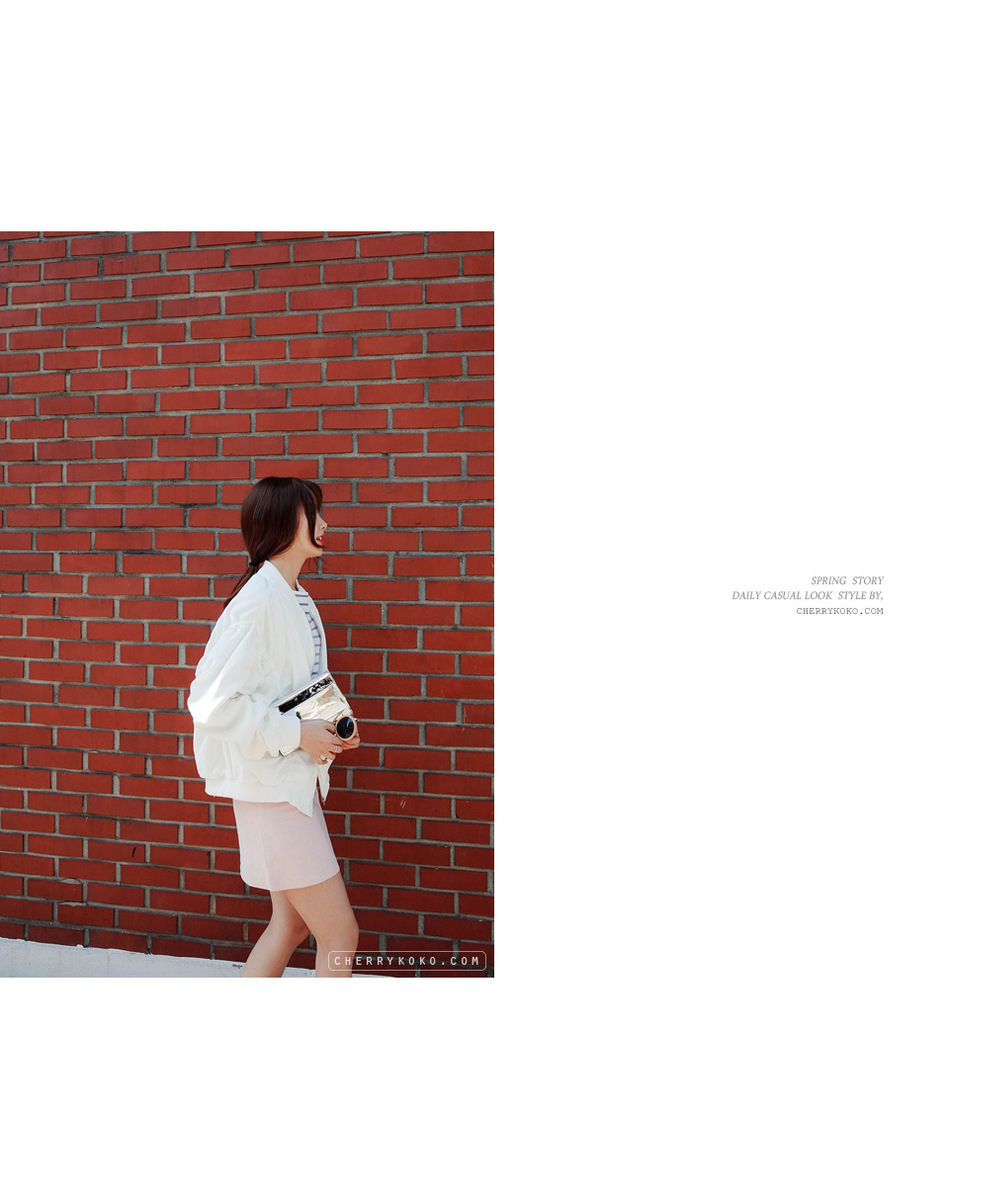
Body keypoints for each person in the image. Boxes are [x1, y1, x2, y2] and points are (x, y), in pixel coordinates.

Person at [186, 476, 361, 977]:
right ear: (285, 521)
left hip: (289, 785)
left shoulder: (295, 596)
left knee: (290, 924)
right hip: (272, 791)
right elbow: (211, 702)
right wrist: (297, 735)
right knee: (340, 934)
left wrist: (334, 726)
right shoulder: (259, 601)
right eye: (314, 513)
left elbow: (298, 686)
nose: (325, 524)